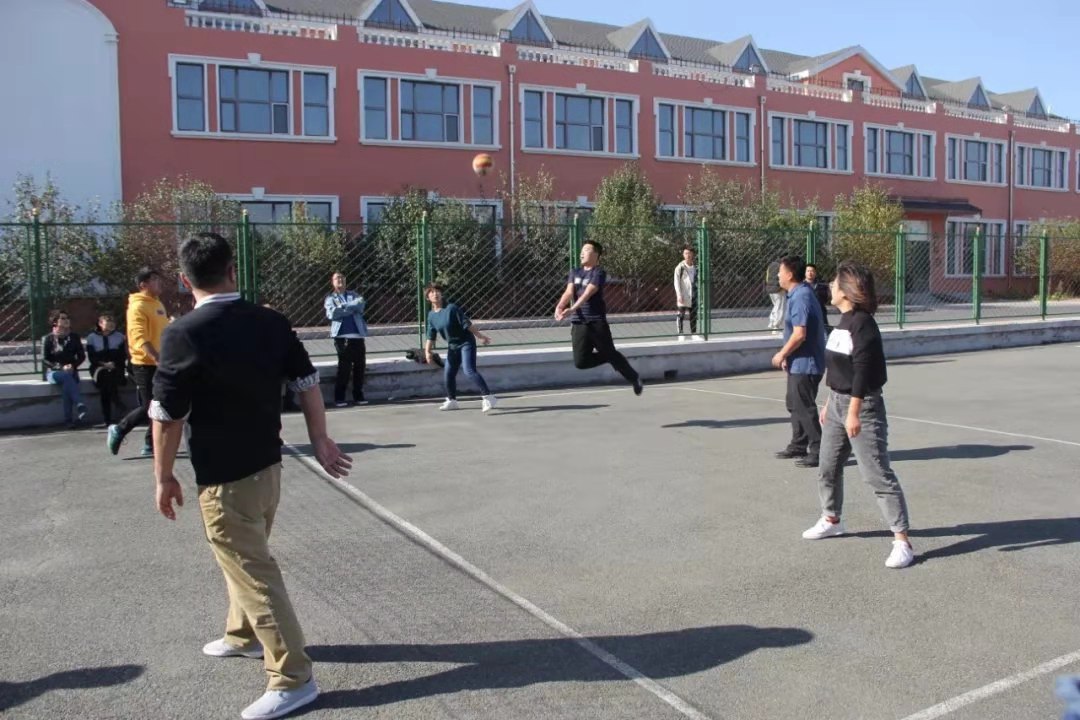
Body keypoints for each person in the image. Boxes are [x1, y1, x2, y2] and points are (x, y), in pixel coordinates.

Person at [151, 232, 352, 720]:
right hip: (267, 469)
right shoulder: (270, 321)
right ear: (232, 271)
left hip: (225, 479)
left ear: (184, 281)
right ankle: (242, 634)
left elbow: (167, 415)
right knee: (245, 557)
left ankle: (293, 678)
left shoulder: (182, 333)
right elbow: (307, 382)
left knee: (253, 571)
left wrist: (163, 476)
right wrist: (320, 438)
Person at [801, 261, 914, 570]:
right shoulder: (843, 321)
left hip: (862, 406)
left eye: (835, 282)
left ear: (847, 289)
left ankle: (902, 541)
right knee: (827, 466)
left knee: (877, 474)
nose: (830, 286)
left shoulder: (863, 324)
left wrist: (853, 413)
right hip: (838, 403)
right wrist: (829, 403)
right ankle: (831, 520)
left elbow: (862, 371)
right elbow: (839, 367)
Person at [554, 240, 643, 395]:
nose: (582, 253)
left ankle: (634, 378)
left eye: (586, 250)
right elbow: (569, 292)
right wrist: (560, 306)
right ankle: (610, 356)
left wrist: (573, 308)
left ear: (596, 254)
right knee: (581, 362)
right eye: (581, 250)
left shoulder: (598, 273)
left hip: (596, 321)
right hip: (579, 322)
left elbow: (588, 293)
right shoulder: (575, 272)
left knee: (610, 353)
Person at [771, 255, 826, 468]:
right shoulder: (796, 294)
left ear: (790, 274)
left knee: (804, 406)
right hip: (798, 362)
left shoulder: (802, 296)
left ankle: (819, 450)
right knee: (794, 403)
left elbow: (800, 334)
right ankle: (799, 443)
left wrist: (781, 354)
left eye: (780, 271)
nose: (778, 275)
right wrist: (788, 356)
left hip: (806, 363)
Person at [107, 268, 169, 457]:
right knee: (149, 406)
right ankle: (119, 429)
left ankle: (150, 444)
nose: (159, 282)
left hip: (160, 362)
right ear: (143, 285)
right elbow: (140, 337)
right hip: (144, 364)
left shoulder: (157, 304)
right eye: (154, 279)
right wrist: (156, 357)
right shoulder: (138, 306)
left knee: (159, 404)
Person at [424, 284, 497, 412]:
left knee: (469, 371)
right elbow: (431, 336)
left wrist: (480, 336)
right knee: (448, 373)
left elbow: (466, 324)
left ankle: (488, 397)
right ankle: (452, 401)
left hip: (466, 343)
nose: (435, 294)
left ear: (441, 294)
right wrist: (427, 352)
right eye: (432, 292)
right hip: (453, 346)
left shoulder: (451, 308)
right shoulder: (431, 316)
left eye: (437, 291)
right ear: (427, 297)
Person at [323, 272, 367, 408]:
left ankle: (358, 396)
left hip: (358, 337)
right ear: (332, 282)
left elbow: (361, 305)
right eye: (337, 278)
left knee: (360, 367)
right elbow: (332, 313)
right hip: (342, 338)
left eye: (342, 277)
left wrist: (343, 307)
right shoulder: (330, 298)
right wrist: (350, 308)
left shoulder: (354, 295)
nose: (340, 280)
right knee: (344, 369)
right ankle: (339, 397)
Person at [41, 309, 88, 428]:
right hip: (54, 372)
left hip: (71, 371)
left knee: (67, 386)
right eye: (62, 318)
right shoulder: (48, 338)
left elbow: (81, 356)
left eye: (67, 318)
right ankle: (79, 403)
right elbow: (45, 359)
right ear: (55, 322)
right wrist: (60, 367)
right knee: (66, 377)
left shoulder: (74, 337)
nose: (66, 320)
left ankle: (69, 421)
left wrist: (73, 366)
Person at [86, 313, 128, 426]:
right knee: (105, 378)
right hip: (99, 367)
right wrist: (104, 364)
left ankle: (107, 418)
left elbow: (122, 356)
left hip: (115, 366)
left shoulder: (119, 337)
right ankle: (117, 403)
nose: (111, 324)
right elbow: (92, 357)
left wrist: (113, 364)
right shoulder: (92, 338)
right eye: (108, 322)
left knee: (107, 382)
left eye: (112, 322)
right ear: (100, 323)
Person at [674, 245, 702, 341]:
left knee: (693, 315)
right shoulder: (680, 268)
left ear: (693, 254)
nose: (688, 255)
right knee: (681, 315)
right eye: (686, 253)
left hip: (693, 294)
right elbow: (676, 282)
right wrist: (679, 295)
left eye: (690, 253)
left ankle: (694, 334)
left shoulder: (696, 267)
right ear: (683, 254)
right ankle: (680, 334)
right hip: (683, 295)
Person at [805, 263, 832, 334]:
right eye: (808, 271)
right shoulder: (801, 286)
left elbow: (827, 297)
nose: (810, 273)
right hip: (806, 314)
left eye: (812, 271)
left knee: (824, 334)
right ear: (805, 273)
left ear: (815, 273)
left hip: (820, 313)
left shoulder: (822, 285)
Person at [765, 258, 786, 333]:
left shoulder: (770, 265)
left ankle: (772, 321)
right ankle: (775, 327)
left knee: (776, 306)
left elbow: (767, 278)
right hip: (779, 290)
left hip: (770, 289)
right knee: (780, 308)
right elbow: (783, 277)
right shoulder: (782, 266)